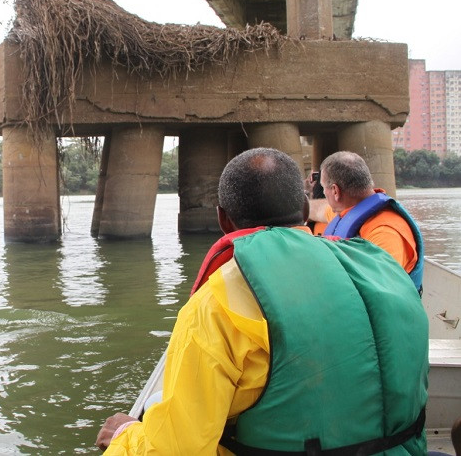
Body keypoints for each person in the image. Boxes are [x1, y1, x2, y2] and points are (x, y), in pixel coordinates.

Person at [96, 148, 429, 455]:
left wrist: (127, 434)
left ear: (223, 220)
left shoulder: (218, 303)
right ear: (303, 210)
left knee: (153, 410)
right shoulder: (382, 266)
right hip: (400, 448)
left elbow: (177, 449)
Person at [308, 150, 424, 290]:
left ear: (335, 191)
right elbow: (317, 210)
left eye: (323, 187)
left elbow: (383, 290)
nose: (324, 193)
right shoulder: (346, 210)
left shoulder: (385, 232)